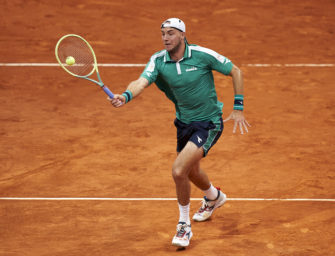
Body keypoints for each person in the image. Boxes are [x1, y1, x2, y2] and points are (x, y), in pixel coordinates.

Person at [110, 18, 250, 247]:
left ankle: (184, 226)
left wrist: (238, 107)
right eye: (163, 33)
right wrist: (125, 96)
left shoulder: (201, 54)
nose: (166, 37)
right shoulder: (157, 61)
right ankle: (215, 197)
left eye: (171, 33)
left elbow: (235, 71)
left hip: (209, 122)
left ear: (183, 35)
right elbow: (141, 82)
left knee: (178, 171)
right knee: (192, 172)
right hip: (184, 124)